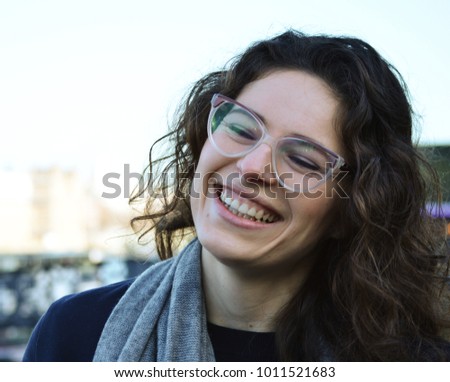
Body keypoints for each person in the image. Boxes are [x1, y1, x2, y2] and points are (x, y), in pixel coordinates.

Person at [23, 29, 450, 362]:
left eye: (302, 159)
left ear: (351, 209)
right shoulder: (74, 333)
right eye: (242, 129)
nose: (249, 168)